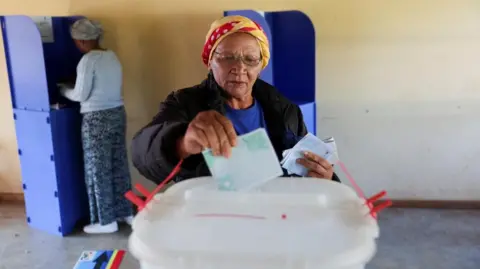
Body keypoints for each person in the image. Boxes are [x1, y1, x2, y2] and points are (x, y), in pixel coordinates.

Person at [131, 15, 340, 184]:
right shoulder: (186, 103)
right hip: (213, 218)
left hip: (274, 215)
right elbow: (142, 155)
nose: (239, 68)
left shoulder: (285, 110)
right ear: (210, 61)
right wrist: (182, 142)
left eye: (250, 60)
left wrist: (326, 179)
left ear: (261, 66)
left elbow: (304, 166)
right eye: (227, 57)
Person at [60, 18, 133, 234]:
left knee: (97, 168)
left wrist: (63, 90)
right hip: (117, 114)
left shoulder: (88, 61)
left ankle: (105, 221)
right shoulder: (112, 57)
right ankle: (125, 211)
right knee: (117, 164)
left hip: (96, 119)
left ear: (81, 41)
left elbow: (80, 94)